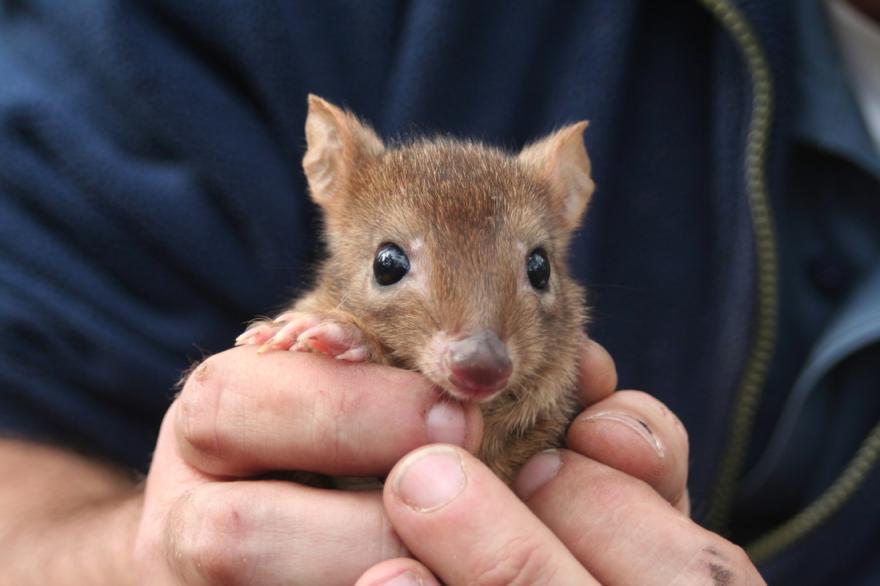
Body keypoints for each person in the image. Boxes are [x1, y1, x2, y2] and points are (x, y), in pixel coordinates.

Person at [0, 0, 877, 584]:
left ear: (568, 200)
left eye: (533, 272)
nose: (480, 344)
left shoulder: (559, 371)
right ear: (331, 171)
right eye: (395, 270)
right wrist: (145, 560)